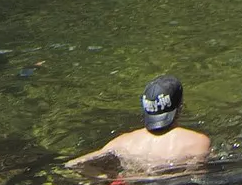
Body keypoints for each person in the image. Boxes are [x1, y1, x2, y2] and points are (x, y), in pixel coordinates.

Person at [65, 75, 211, 176]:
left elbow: (73, 165)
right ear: (180, 106)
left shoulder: (123, 142)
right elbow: (197, 179)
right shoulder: (197, 142)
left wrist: (108, 177)